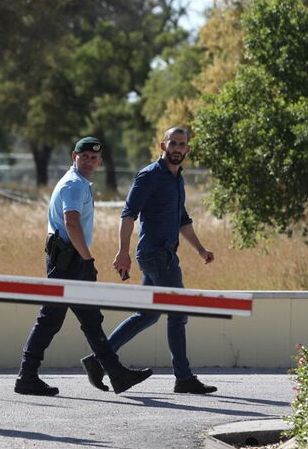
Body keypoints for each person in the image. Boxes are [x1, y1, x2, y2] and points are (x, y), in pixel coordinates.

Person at [80, 126, 217, 394]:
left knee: (148, 314)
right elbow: (128, 214)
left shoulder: (177, 178)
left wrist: (200, 249)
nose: (177, 148)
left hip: (165, 254)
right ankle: (184, 377)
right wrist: (122, 252)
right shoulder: (149, 176)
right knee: (178, 313)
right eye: (173, 143)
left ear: (187, 149)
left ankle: (98, 360)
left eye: (182, 144)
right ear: (162, 146)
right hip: (155, 254)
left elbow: (182, 220)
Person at [15, 136, 153, 397]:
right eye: (84, 156)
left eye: (94, 158)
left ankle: (116, 373)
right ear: (73, 157)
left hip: (69, 259)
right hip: (68, 262)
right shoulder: (74, 185)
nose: (89, 161)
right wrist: (87, 260)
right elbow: (72, 223)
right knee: (51, 319)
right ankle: (27, 375)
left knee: (90, 320)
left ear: (99, 161)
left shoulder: (78, 183)